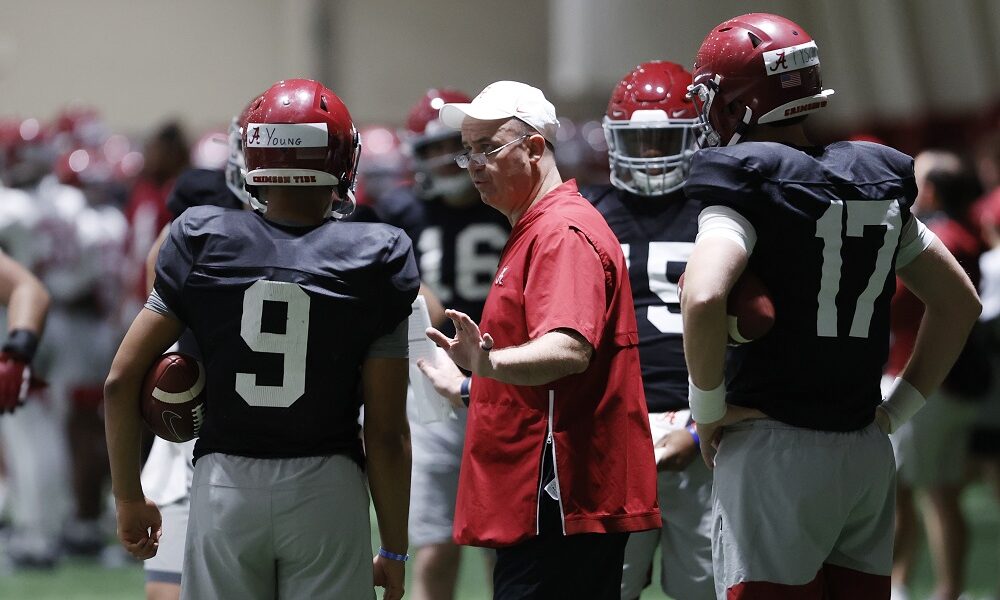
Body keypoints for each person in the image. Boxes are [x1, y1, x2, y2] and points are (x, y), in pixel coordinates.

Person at [680, 12, 981, 599]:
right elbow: (959, 304)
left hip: (773, 448)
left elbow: (705, 294)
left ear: (740, 103)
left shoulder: (744, 177)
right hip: (863, 448)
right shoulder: (874, 173)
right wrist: (897, 413)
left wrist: (708, 410)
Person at [104, 78, 419, 600]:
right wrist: (395, 548)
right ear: (341, 159)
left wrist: (127, 497)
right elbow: (387, 434)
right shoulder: (375, 257)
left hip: (224, 484)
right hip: (327, 486)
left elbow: (120, 379)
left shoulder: (201, 239)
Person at [418, 80, 660, 600]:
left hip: (559, 497)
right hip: (546, 498)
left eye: (489, 148)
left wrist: (486, 366)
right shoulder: (538, 227)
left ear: (533, 148)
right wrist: (466, 387)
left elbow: (569, 349)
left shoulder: (559, 233)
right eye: (468, 152)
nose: (474, 164)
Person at [579, 60, 715, 600]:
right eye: (640, 140)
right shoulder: (586, 211)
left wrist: (705, 427)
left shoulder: (722, 207)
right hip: (613, 424)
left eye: (666, 138)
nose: (653, 153)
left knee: (709, 590)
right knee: (605, 588)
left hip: (703, 423)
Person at [378, 88, 509, 600]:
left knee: (506, 538)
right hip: (429, 379)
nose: (445, 160)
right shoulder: (398, 211)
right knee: (433, 542)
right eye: (432, 149)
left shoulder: (507, 203)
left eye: (454, 145)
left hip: (501, 369)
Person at [137, 99, 255, 600]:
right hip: (208, 417)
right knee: (171, 585)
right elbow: (157, 265)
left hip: (270, 429)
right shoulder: (204, 200)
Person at [888, 150, 988, 600]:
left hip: (924, 378)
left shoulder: (940, 236)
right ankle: (938, 588)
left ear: (930, 190)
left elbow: (893, 302)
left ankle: (905, 585)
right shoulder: (968, 232)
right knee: (939, 494)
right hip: (952, 382)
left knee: (910, 494)